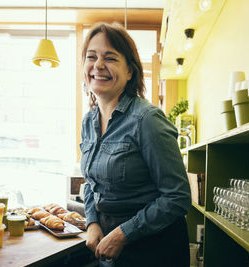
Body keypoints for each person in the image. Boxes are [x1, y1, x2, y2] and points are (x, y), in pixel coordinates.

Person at [80, 22, 191, 267]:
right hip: (110, 247)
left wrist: (123, 234)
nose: (98, 65)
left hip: (153, 250)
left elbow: (178, 197)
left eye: (110, 58)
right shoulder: (88, 121)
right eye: (91, 57)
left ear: (130, 71)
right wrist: (92, 222)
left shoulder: (146, 119)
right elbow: (90, 183)